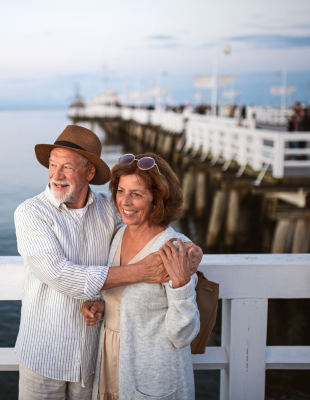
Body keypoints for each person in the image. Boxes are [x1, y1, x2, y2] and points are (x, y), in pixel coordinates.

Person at [14, 125, 203, 400]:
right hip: (45, 354)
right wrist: (139, 272)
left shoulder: (108, 209)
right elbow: (61, 275)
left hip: (93, 357)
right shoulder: (31, 213)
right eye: (52, 165)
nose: (56, 175)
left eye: (66, 167)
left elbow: (150, 228)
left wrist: (189, 248)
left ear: (90, 172)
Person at [82, 153, 200, 400]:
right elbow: (132, 299)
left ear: (157, 200)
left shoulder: (174, 250)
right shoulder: (118, 234)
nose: (125, 201)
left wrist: (181, 286)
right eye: (121, 190)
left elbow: (183, 335)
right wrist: (104, 306)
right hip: (111, 361)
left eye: (136, 194)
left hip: (151, 375)